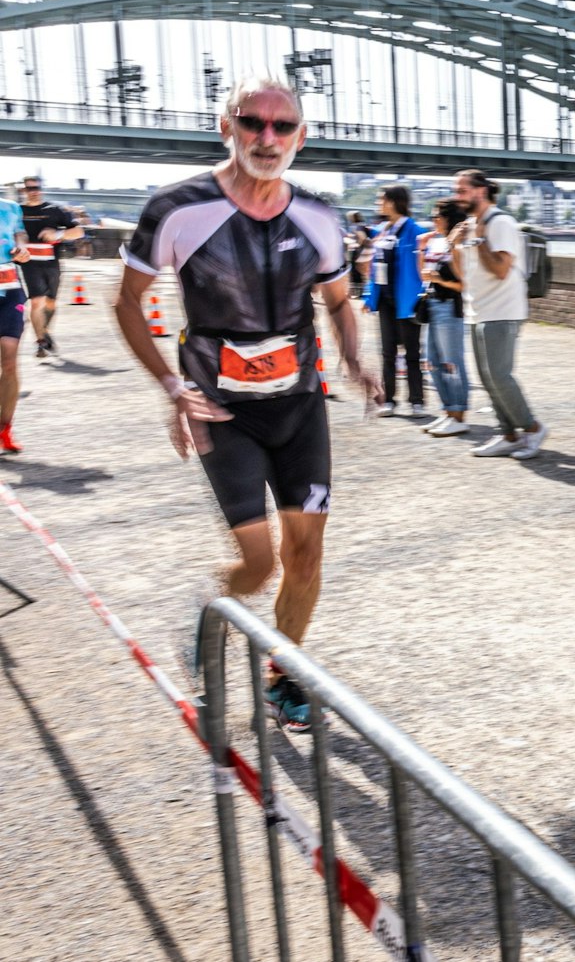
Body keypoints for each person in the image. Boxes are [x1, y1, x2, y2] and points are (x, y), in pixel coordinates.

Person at [112, 75, 379, 732]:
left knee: (307, 552)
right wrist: (172, 387)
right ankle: (208, 616)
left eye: (282, 126)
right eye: (251, 121)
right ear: (225, 126)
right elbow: (127, 302)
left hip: (298, 405)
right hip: (220, 411)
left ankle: (284, 675)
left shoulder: (318, 214)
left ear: (301, 137)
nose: (267, 137)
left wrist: (351, 358)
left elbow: (338, 300)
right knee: (258, 565)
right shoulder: (177, 208)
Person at [450, 168, 548, 460]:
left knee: (500, 376)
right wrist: (454, 247)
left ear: (481, 191)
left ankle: (532, 428)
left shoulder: (501, 223)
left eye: (462, 190)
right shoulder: (470, 225)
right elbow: (464, 275)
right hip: (477, 310)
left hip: (502, 310)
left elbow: (501, 269)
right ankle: (508, 434)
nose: (458, 196)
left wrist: (480, 241)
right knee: (487, 378)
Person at [362, 184, 426, 418]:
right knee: (387, 353)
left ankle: (417, 401)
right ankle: (389, 400)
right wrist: (369, 296)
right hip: (386, 302)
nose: (379, 203)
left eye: (381, 199)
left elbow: (423, 266)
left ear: (393, 201)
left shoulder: (415, 231)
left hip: (408, 301)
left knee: (412, 353)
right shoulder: (381, 230)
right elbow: (373, 268)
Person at [418, 199, 471, 437]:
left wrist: (439, 279)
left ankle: (459, 414)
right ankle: (448, 411)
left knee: (453, 363)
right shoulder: (438, 242)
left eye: (437, 216)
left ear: (449, 219)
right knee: (432, 362)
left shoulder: (458, 246)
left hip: (449, 307)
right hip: (433, 305)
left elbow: (463, 284)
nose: (433, 220)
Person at [16, 177, 84, 359]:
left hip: (52, 264)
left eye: (36, 187)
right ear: (24, 190)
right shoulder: (17, 210)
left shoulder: (55, 210)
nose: (33, 191)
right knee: (37, 301)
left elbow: (79, 231)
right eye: (29, 188)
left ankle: (44, 332)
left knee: (50, 303)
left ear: (41, 189)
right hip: (29, 264)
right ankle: (41, 342)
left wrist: (58, 233)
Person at [0, 191, 24, 453]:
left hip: (9, 288)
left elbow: (20, 235)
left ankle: (4, 429)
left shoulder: (10, 207)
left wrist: (22, 249)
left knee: (9, 360)